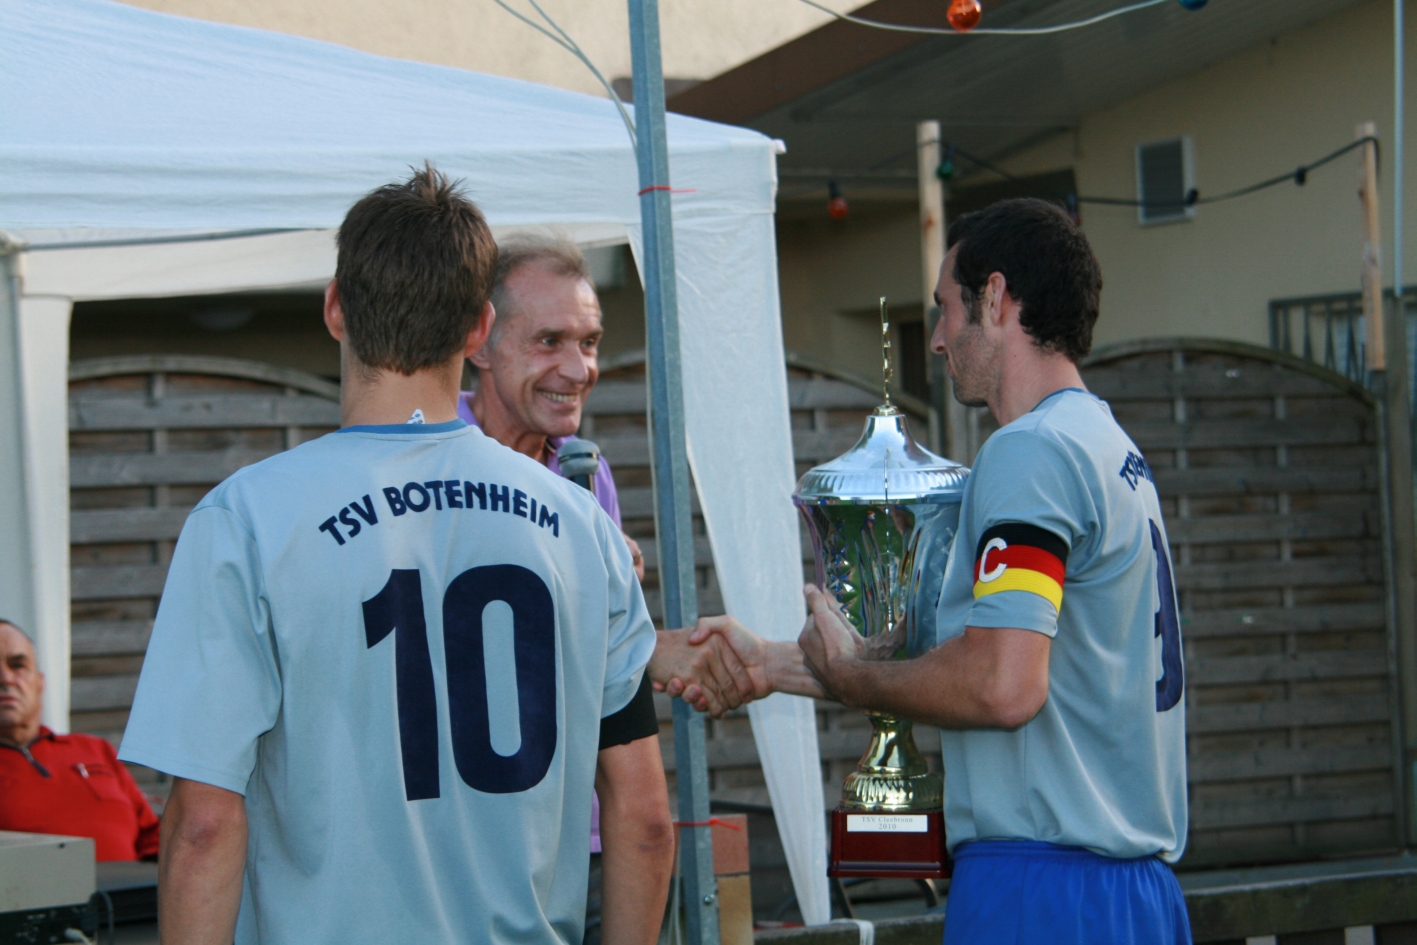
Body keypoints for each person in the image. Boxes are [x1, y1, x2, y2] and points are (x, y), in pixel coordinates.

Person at [118, 166, 676, 945]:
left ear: (335, 308)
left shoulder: (246, 518)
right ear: (479, 329)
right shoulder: (581, 525)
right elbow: (644, 818)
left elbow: (203, 825)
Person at [678, 199, 1192, 945]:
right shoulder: (1107, 446)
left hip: (1047, 888)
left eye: (946, 308)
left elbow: (1002, 684)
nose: (941, 338)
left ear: (996, 296)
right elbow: (1025, 664)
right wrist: (774, 665)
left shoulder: (1032, 450)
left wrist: (854, 680)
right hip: (1128, 891)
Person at [458, 236, 647, 944]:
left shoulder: (584, 472)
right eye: (549, 341)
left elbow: (600, 668)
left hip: (581, 841)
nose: (579, 369)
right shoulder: (427, 456)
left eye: (589, 342)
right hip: (464, 845)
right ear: (479, 340)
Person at [0, 619, 160, 861]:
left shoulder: (95, 750)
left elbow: (152, 838)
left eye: (18, 665)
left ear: (40, 682)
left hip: (129, 884)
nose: (5, 678)